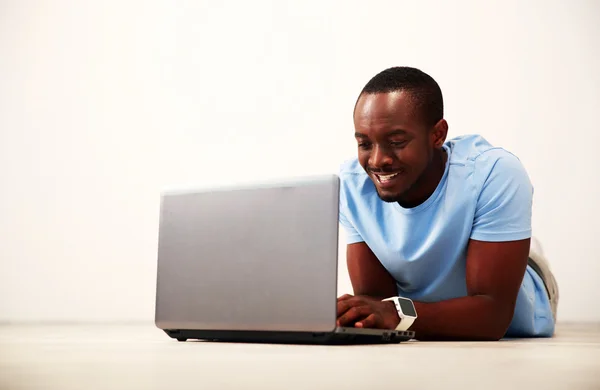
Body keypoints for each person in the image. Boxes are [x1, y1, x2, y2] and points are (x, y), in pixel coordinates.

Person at [335, 66, 559, 341]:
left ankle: (528, 251)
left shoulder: (494, 172)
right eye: (365, 144)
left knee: (516, 265)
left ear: (438, 134)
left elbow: (492, 317)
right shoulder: (352, 185)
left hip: (522, 302)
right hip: (420, 311)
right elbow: (378, 303)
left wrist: (395, 314)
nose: (378, 160)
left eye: (396, 141)